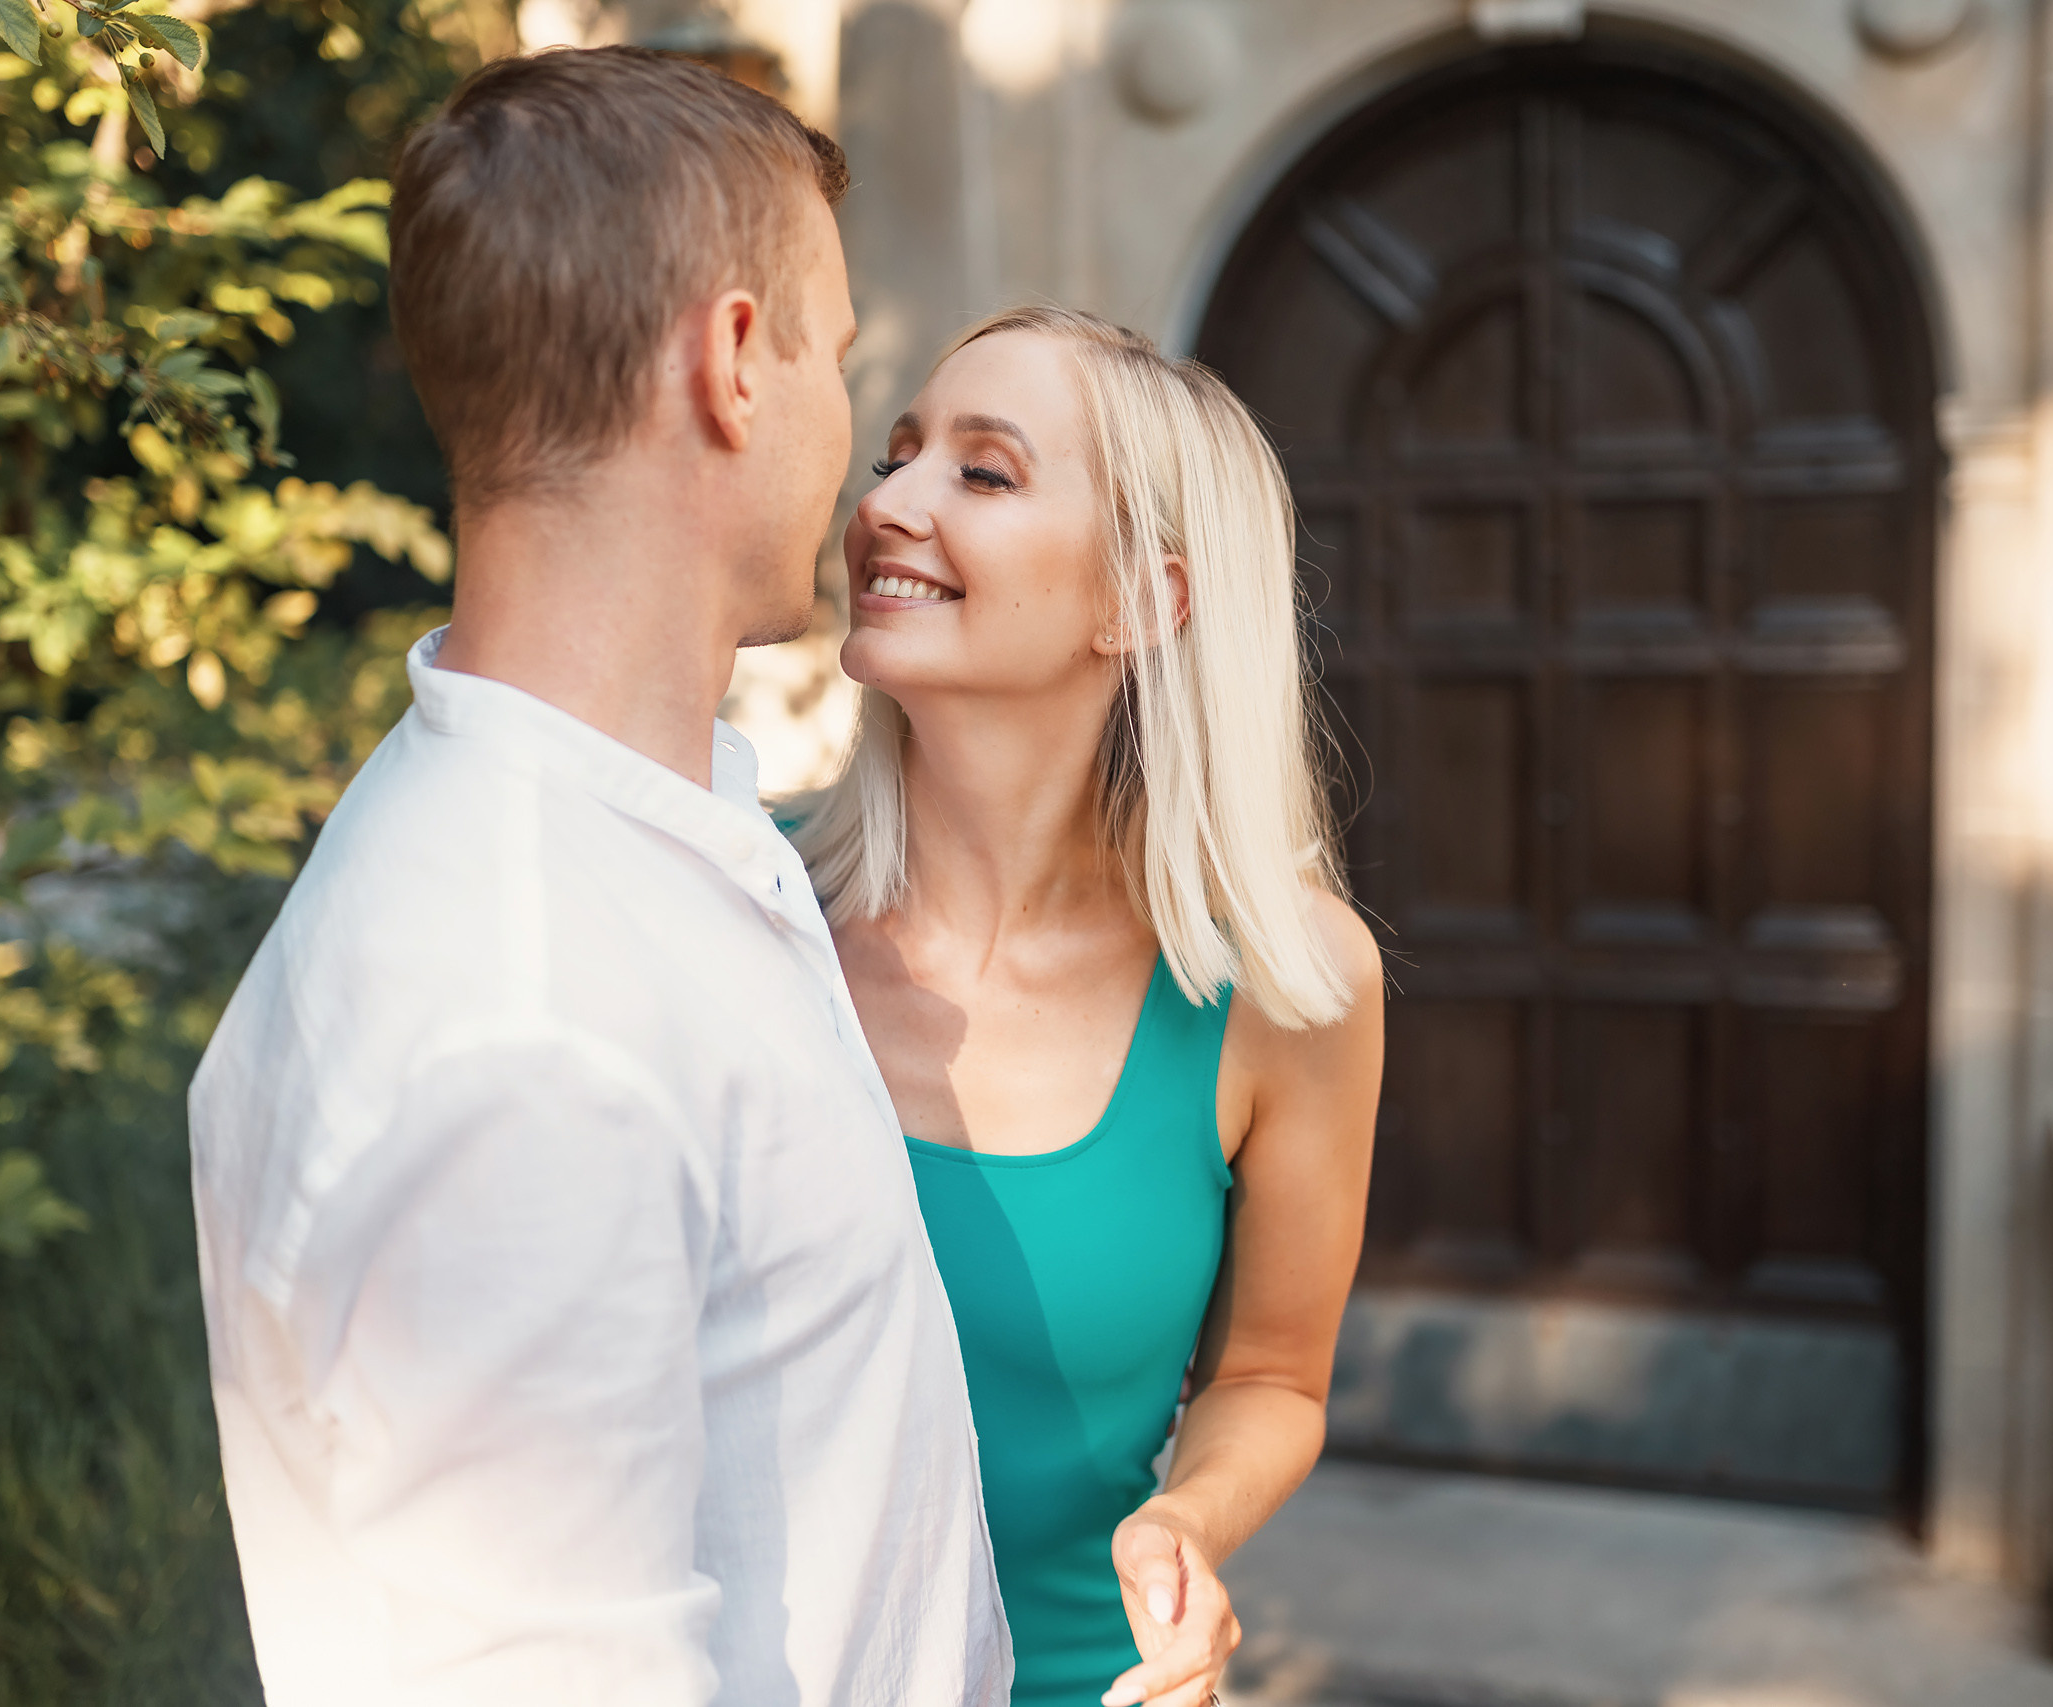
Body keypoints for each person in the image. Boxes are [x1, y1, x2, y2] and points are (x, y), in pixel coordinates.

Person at [187, 49, 1010, 1707]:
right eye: (835, 354)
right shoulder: (515, 1019)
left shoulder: (654, 828)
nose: (856, 441)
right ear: (733, 362)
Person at [785, 307, 1387, 1707]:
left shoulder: (1285, 984)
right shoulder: (740, 905)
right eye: (897, 456)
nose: (889, 505)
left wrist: (1186, 1527)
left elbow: (1274, 1379)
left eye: (983, 473)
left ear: (1142, 600)